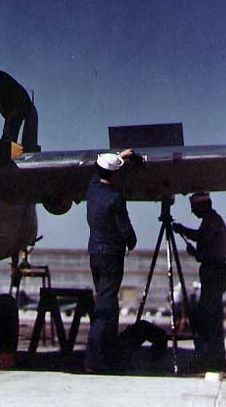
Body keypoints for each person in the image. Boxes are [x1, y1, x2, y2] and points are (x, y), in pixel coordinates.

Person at [85, 150, 137, 374]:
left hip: (95, 255)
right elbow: (126, 231)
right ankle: (95, 360)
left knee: (105, 302)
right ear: (116, 175)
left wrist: (119, 155)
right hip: (111, 258)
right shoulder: (115, 199)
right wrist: (132, 241)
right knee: (106, 308)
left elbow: (96, 173)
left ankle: (106, 353)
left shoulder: (92, 190)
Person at [173, 192, 226, 372]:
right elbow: (200, 237)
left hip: (214, 273)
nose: (192, 211)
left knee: (209, 318)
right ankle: (214, 358)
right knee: (211, 317)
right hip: (214, 273)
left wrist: (194, 252)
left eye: (194, 207)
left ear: (203, 205)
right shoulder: (211, 220)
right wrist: (184, 231)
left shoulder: (212, 221)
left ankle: (212, 359)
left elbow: (203, 246)